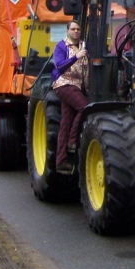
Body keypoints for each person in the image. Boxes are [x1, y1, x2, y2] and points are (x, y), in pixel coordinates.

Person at [51, 21, 89, 174]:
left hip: (77, 86)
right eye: (73, 29)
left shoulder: (84, 46)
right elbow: (59, 66)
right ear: (67, 31)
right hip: (63, 84)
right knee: (84, 107)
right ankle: (73, 141)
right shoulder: (61, 46)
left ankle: (61, 161)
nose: (76, 31)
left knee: (66, 122)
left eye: (78, 29)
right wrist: (76, 57)